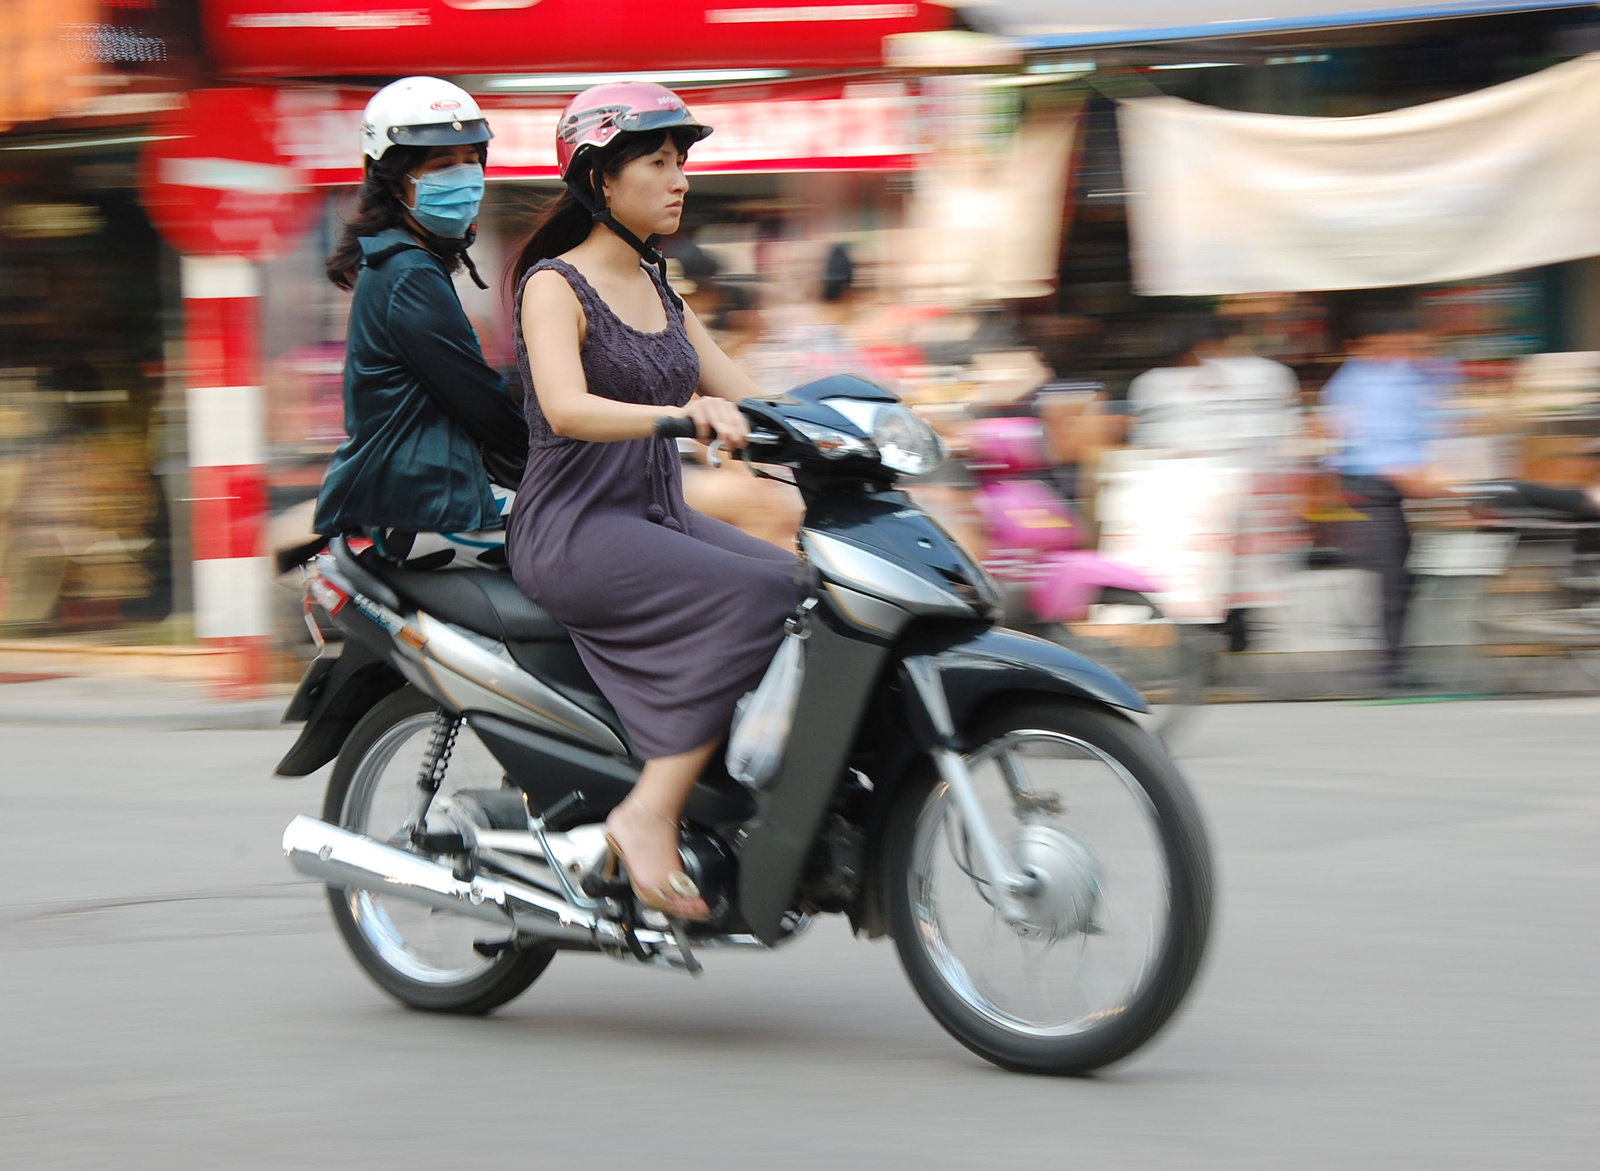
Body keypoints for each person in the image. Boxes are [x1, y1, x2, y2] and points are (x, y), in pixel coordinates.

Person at [507, 83, 802, 920]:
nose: (680, 180)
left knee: (808, 590)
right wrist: (681, 416)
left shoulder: (659, 287)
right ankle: (648, 811)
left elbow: (748, 395)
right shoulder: (553, 286)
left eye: (684, 163)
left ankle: (740, 788)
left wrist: (849, 425)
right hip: (573, 527)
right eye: (660, 163)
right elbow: (566, 408)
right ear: (601, 179)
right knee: (761, 592)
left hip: (654, 516)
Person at [314, 77, 527, 569]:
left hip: (427, 495)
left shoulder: (405, 262)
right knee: (602, 546)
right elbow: (479, 399)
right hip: (430, 507)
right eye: (442, 164)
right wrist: (553, 462)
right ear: (394, 179)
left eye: (472, 159)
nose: (465, 175)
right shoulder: (408, 272)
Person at [1321, 299, 1447, 692]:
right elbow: (1354, 441)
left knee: (1405, 577)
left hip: (1408, 484)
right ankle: (1388, 669)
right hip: (1374, 487)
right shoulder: (1351, 383)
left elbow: (1427, 423)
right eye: (1394, 344)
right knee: (1392, 579)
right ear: (1371, 343)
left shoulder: (1407, 375)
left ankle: (1397, 661)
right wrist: (1403, 472)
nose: (1402, 351)